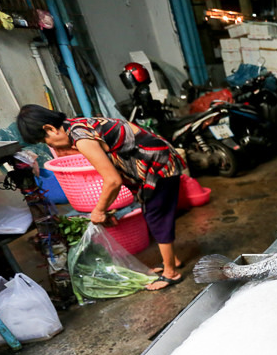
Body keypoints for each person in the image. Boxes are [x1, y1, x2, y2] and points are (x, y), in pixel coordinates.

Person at [17, 105, 186, 290]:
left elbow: (113, 180)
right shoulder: (74, 125)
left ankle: (171, 273)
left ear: (49, 128)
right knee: (151, 212)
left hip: (158, 164)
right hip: (150, 163)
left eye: (45, 140)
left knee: (156, 215)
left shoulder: (81, 138)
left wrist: (99, 210)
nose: (50, 146)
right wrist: (108, 206)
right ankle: (172, 260)